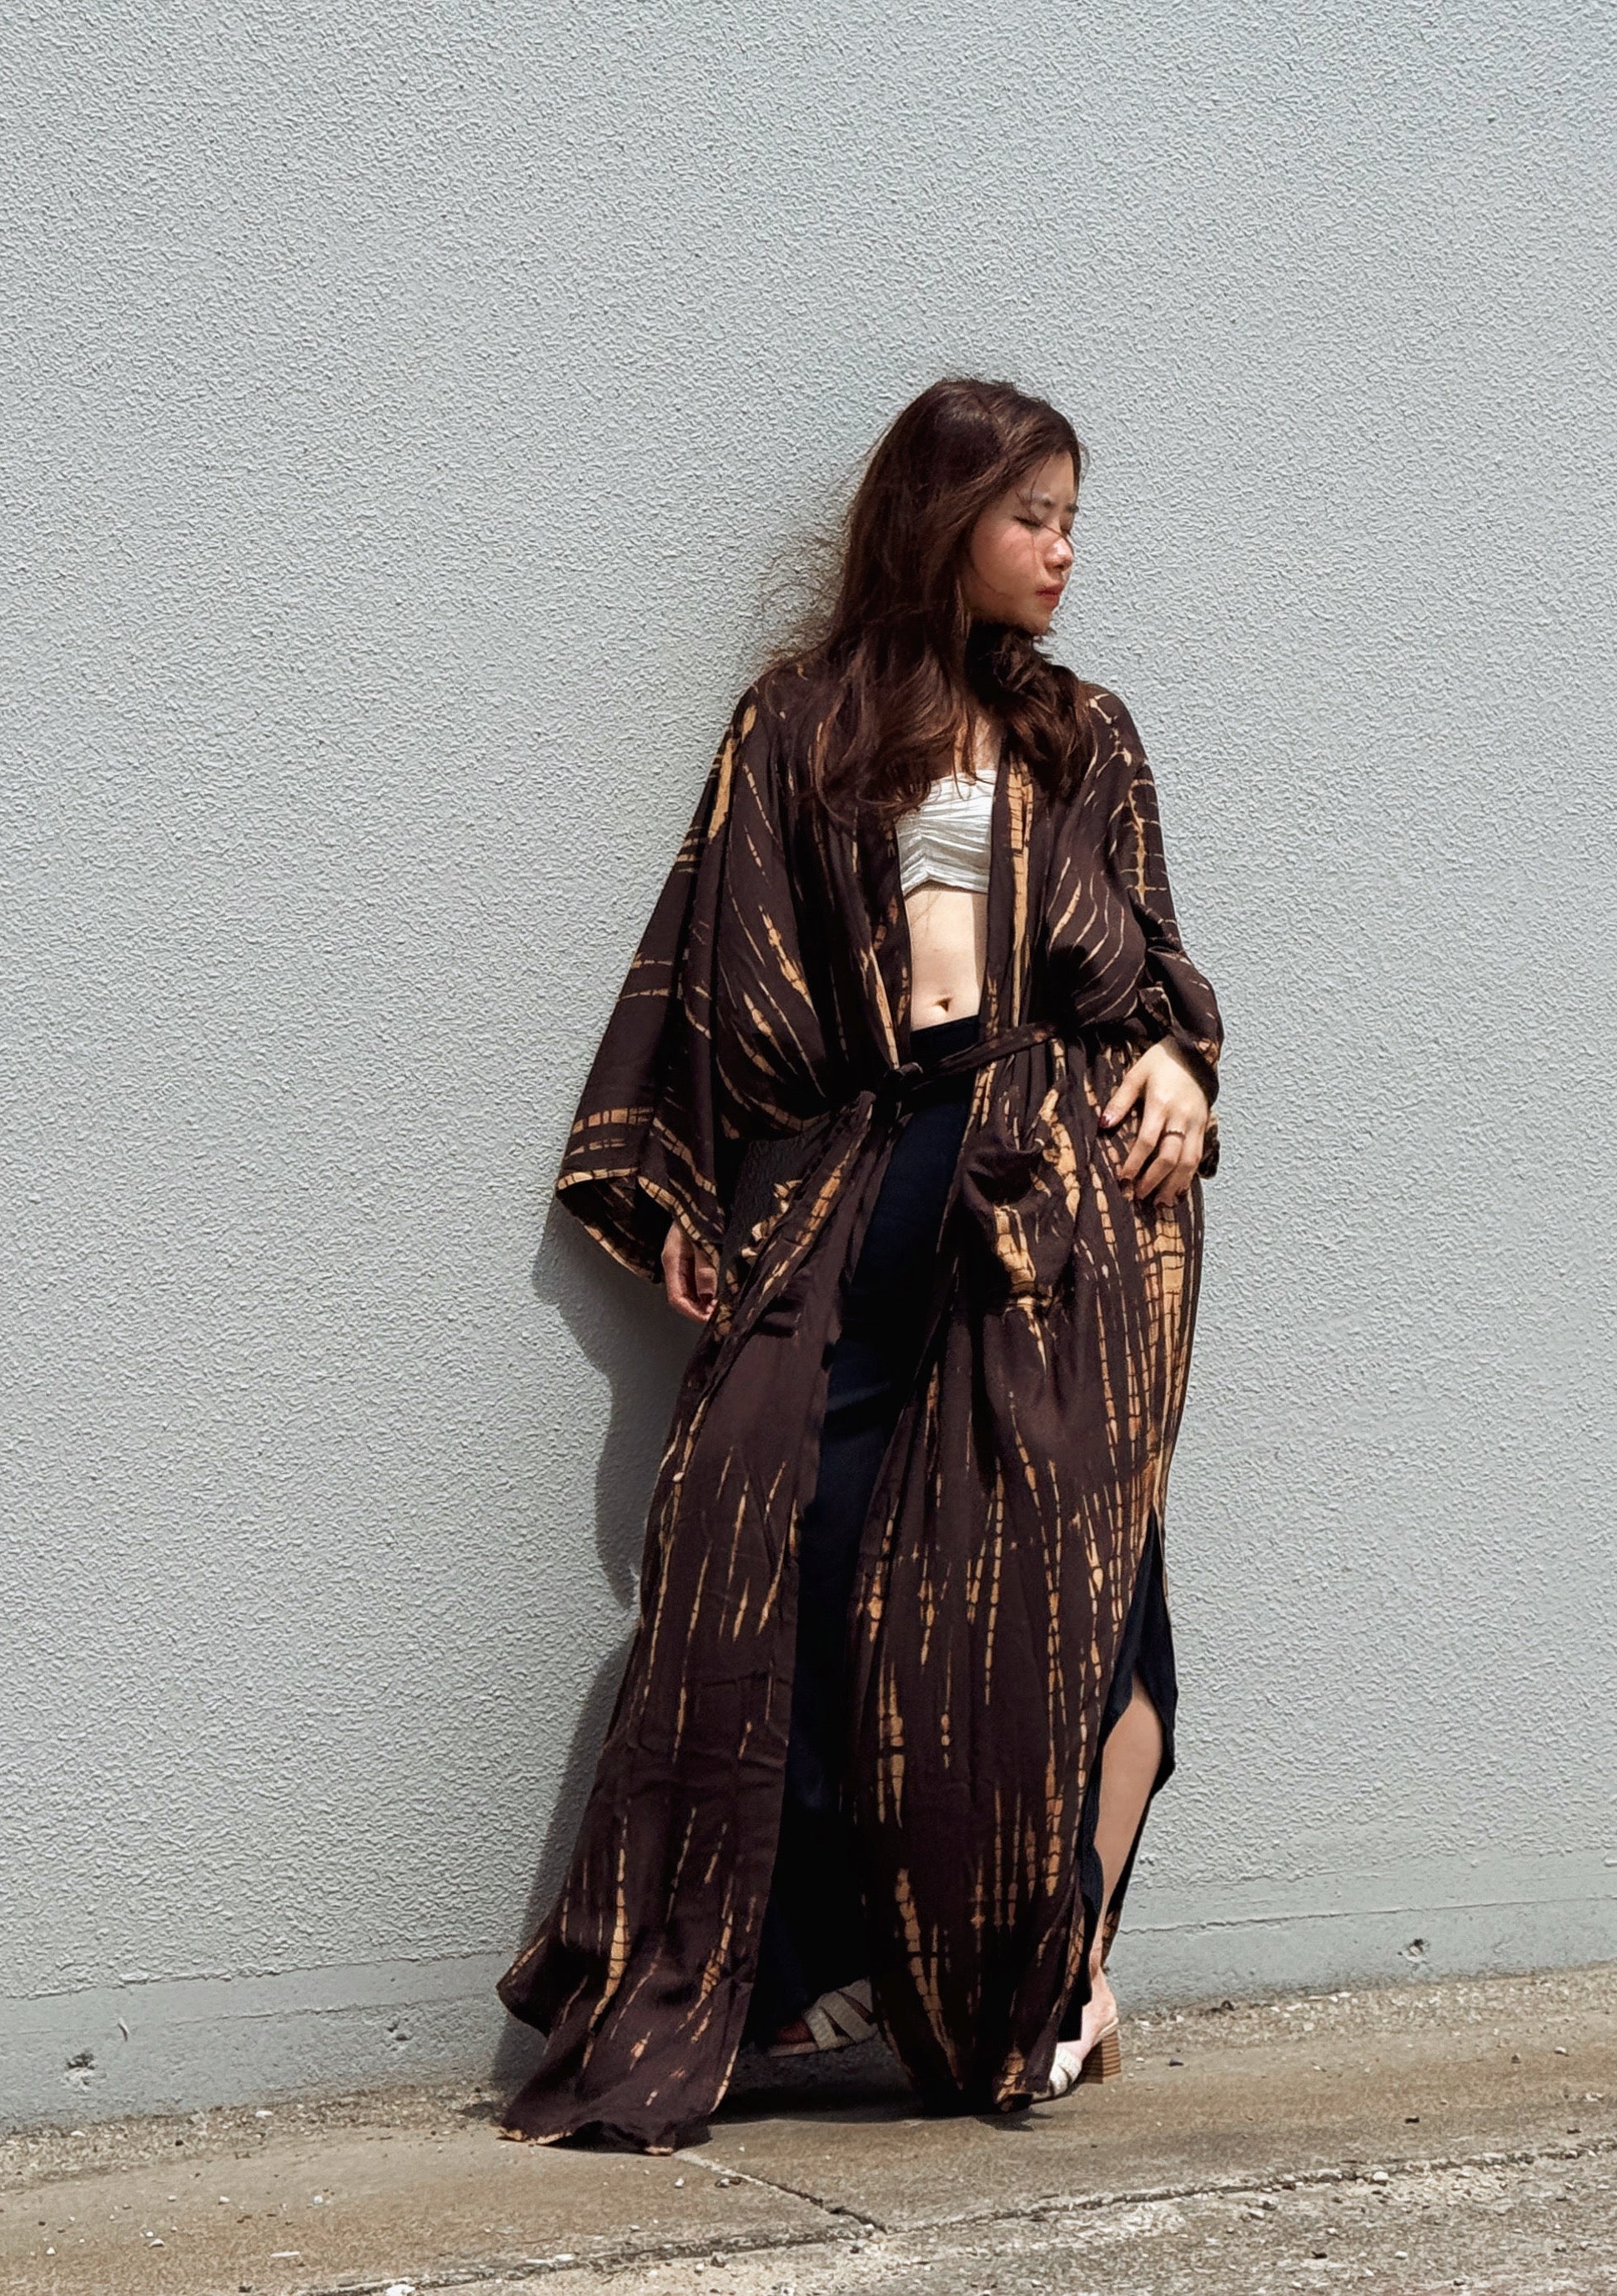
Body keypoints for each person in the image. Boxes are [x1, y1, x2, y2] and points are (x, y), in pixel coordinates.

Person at [496, 375, 1224, 2155]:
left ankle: (1070, 1965)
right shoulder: (802, 729)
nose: (1063, 551)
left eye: (1072, 518)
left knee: (1080, 1580)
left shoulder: (1085, 738)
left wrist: (1180, 1062)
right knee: (774, 1558)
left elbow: (1154, 960)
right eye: (1030, 516)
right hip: (860, 1180)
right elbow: (709, 967)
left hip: (1064, 1204)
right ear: (941, 521)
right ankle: (789, 1965)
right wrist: (685, 1195)